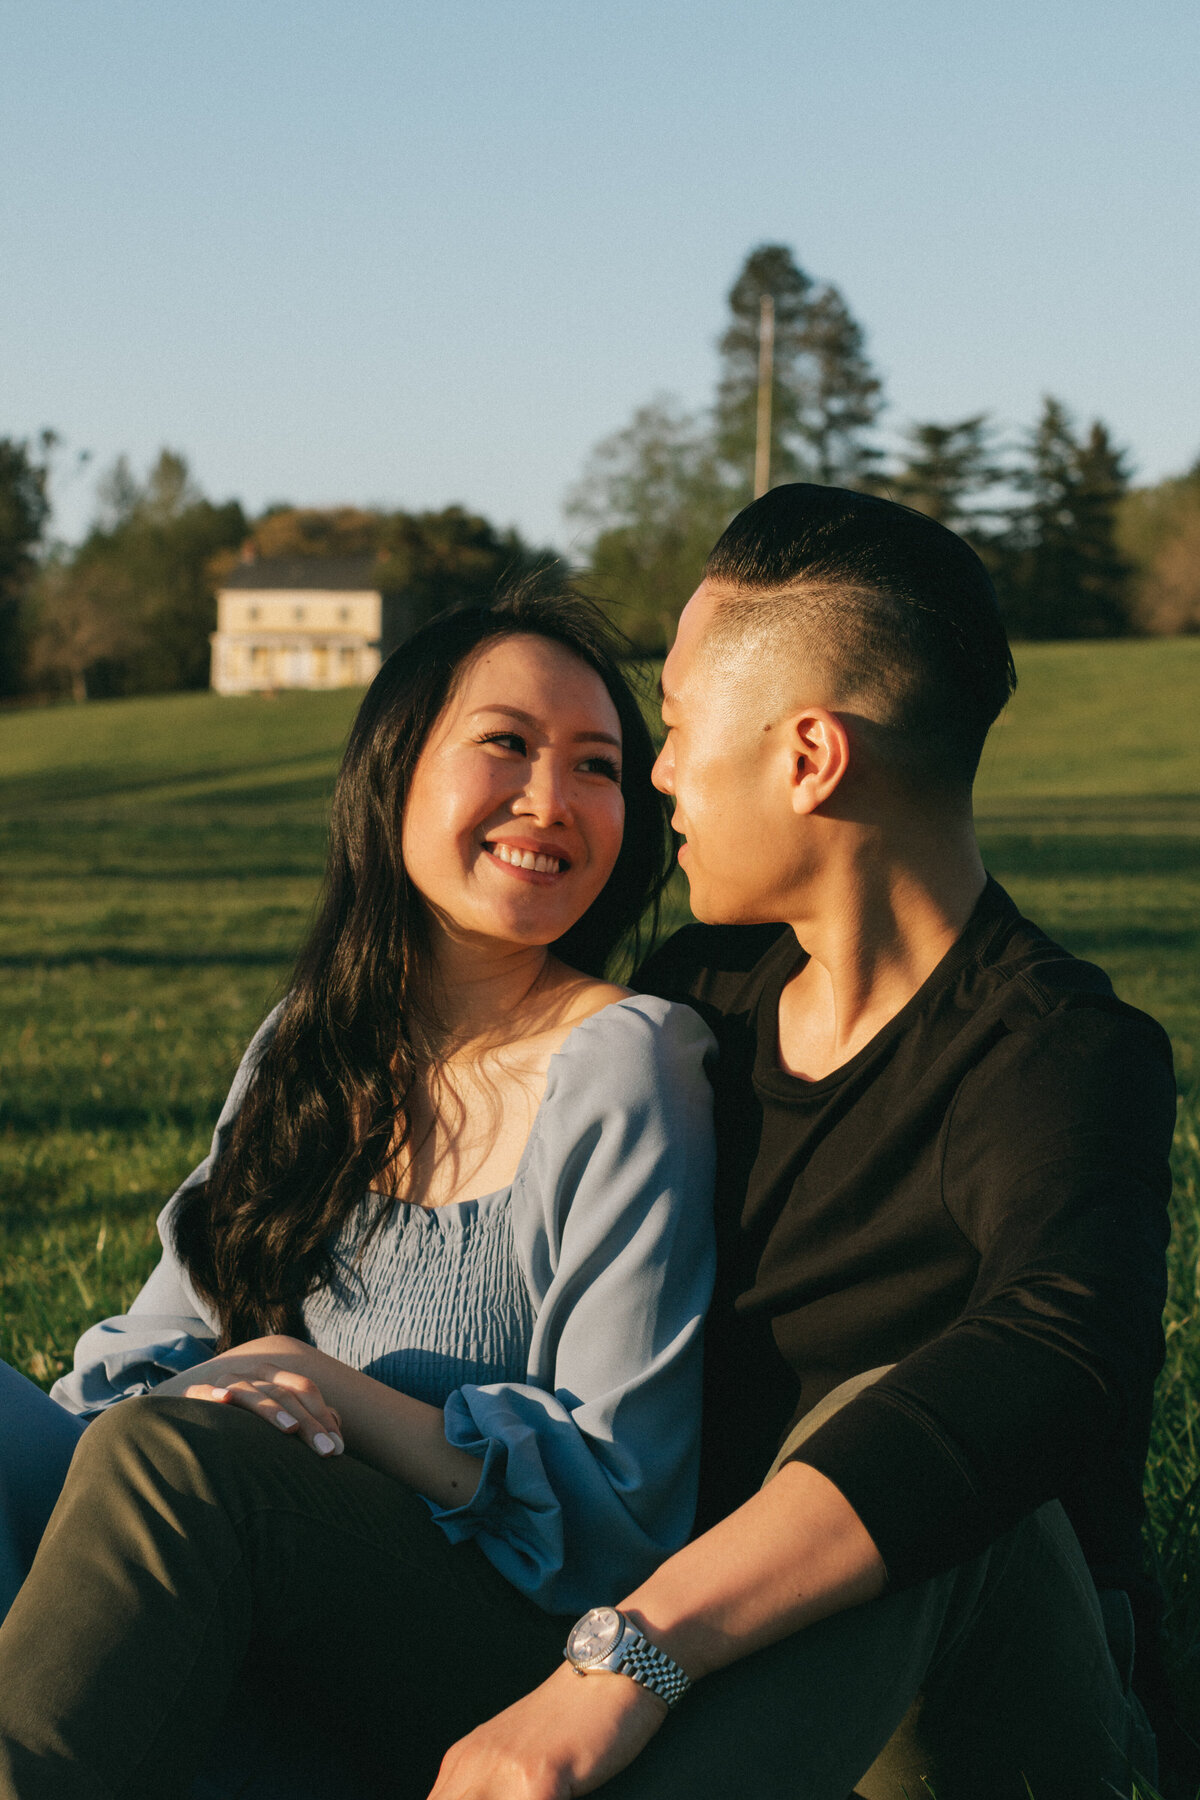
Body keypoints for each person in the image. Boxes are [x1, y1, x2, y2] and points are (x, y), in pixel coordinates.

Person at [426, 486, 1179, 1800]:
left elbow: (1061, 1354)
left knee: (904, 1437)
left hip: (982, 1715)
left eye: (674, 731)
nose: (657, 775)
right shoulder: (692, 1005)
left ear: (810, 757)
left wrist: (629, 1658)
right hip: (683, 1668)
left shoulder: (1060, 1052)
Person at [0, 587, 717, 1800]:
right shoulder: (310, 1048)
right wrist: (186, 1407)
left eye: (597, 766)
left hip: (478, 1658)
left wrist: (318, 1385)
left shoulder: (629, 1063)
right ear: (394, 773)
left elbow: (620, 1518)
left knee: (181, 1460)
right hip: (228, 1568)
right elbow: (151, 1350)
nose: (551, 800)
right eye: (506, 742)